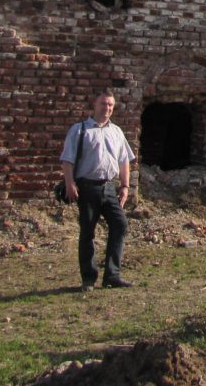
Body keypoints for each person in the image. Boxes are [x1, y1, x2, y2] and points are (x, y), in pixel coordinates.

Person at [60, 89, 136, 290]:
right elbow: (67, 160)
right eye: (103, 104)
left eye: (110, 105)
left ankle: (112, 275)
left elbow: (124, 160)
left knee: (120, 225)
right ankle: (88, 278)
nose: (107, 108)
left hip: (109, 188)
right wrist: (69, 184)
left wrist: (125, 186)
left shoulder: (116, 131)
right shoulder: (80, 130)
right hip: (87, 187)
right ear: (95, 105)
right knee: (88, 232)